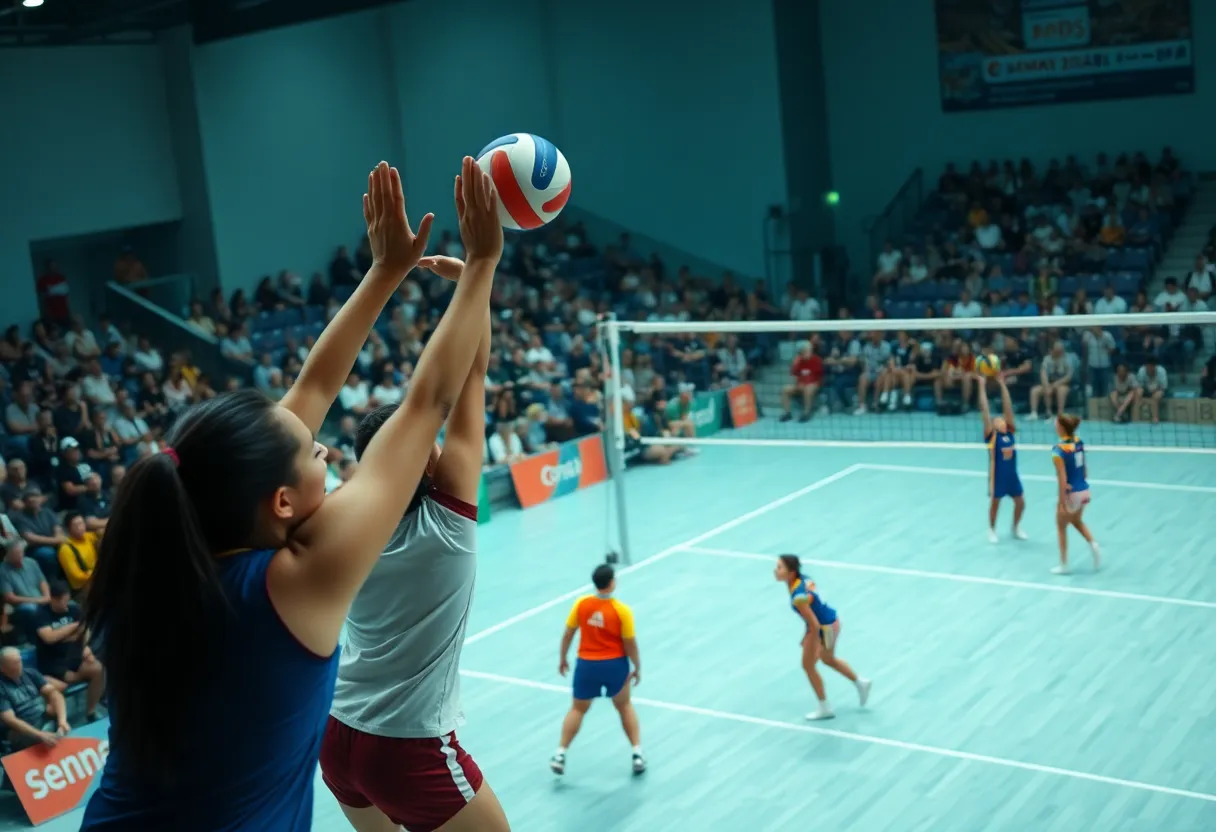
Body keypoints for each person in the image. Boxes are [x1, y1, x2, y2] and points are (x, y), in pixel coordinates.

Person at [80, 159, 499, 831]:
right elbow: (425, 406)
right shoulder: (290, 585)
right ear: (277, 502)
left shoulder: (147, 571)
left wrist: (384, 272)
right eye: (313, 452)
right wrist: (481, 264)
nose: (325, 446)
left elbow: (305, 396)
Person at [320, 252, 511, 832]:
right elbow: (469, 376)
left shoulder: (335, 527)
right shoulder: (447, 525)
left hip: (335, 733)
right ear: (424, 466)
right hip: (409, 746)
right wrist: (477, 279)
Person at [552, 563, 645, 777]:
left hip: (587, 665)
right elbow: (630, 643)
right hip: (614, 666)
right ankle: (637, 753)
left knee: (577, 709)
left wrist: (562, 658)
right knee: (624, 707)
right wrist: (637, 667)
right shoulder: (622, 611)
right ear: (611, 583)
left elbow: (568, 633)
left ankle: (560, 753)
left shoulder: (581, 605)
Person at [773, 554, 871, 721]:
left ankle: (825, 707)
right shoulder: (804, 580)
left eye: (780, 567)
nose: (775, 570)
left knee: (808, 665)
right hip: (831, 622)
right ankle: (860, 683)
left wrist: (812, 641)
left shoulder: (798, 597)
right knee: (827, 659)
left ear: (791, 572)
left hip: (824, 627)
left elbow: (814, 623)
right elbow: (813, 609)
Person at [35, 580, 105, 721]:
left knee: (99, 669)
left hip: (75, 657)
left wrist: (87, 647)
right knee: (69, 680)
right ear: (54, 599)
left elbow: (84, 630)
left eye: (68, 601)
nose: (66, 606)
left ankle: (90, 712)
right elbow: (49, 637)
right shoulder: (41, 614)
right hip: (53, 662)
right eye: (63, 602)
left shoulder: (74, 609)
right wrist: (74, 626)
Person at [977, 375, 1026, 544]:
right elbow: (985, 409)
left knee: (1021, 503)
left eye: (1002, 419)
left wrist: (1003, 385)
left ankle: (1015, 528)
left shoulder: (1010, 432)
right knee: (995, 503)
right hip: (997, 476)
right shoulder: (991, 436)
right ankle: (991, 529)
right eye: (996, 420)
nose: (1001, 420)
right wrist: (982, 386)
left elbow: (1008, 407)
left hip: (1012, 475)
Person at [1050, 414, 1100, 576]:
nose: (1054, 425)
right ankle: (1093, 544)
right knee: (1077, 521)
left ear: (1061, 427)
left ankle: (1064, 565)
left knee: (1061, 526)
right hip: (1084, 490)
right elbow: (1084, 469)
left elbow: (1062, 479)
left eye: (1056, 423)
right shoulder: (1078, 442)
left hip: (1072, 494)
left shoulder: (1058, 450)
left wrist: (1062, 501)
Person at [0, 646, 69, 751]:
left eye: (19, 661)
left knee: (55, 710)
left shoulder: (30, 673)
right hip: (22, 728)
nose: (19, 665)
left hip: (41, 716)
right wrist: (39, 735)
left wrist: (62, 721)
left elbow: (55, 694)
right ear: (2, 667)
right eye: (14, 663)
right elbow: (10, 720)